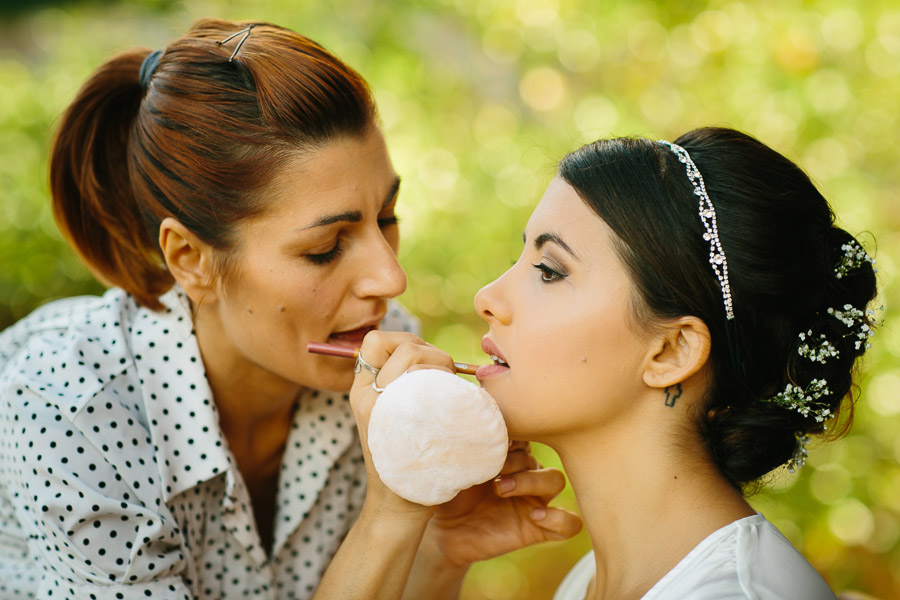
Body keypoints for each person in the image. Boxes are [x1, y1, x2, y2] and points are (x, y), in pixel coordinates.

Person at [0, 18, 582, 599]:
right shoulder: (72, 408)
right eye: (324, 249)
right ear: (191, 260)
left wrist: (437, 551)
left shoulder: (382, 362)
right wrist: (388, 513)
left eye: (387, 219)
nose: (391, 279)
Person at [322, 127, 879, 599]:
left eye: (549, 269)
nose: (487, 297)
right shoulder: (595, 579)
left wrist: (389, 513)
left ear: (671, 351)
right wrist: (428, 541)